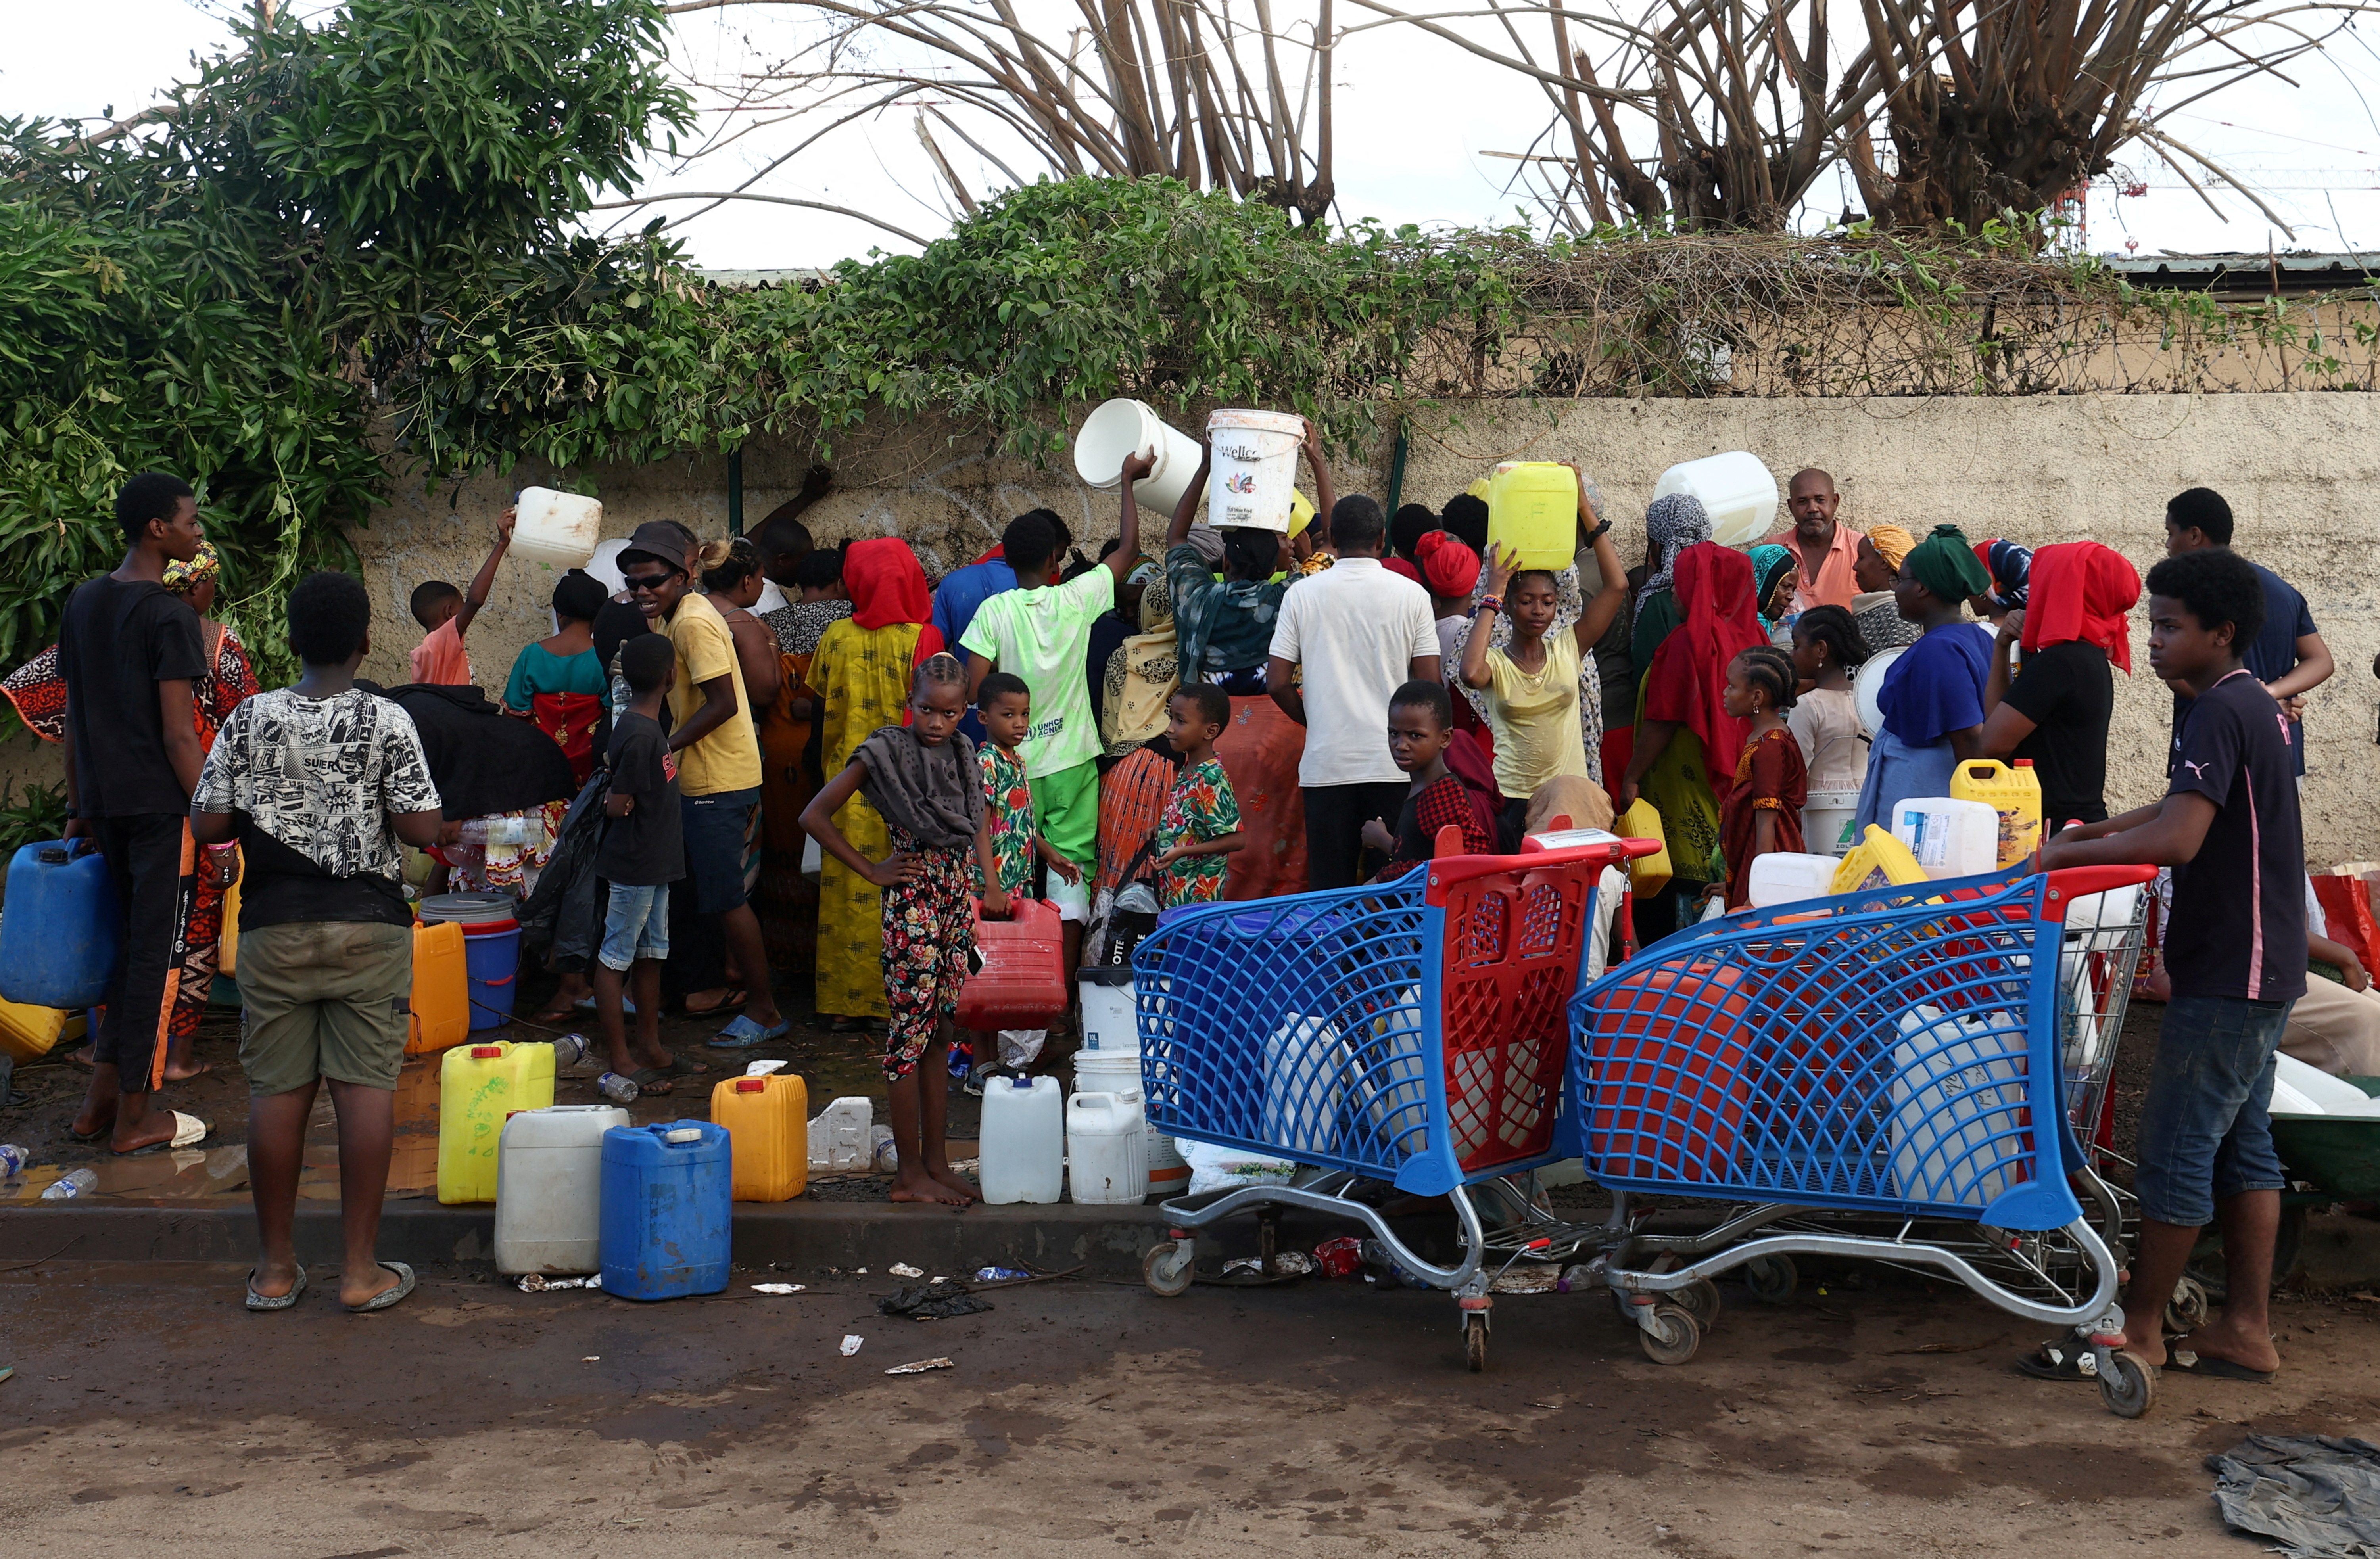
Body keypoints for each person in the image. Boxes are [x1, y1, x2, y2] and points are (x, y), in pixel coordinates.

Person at [2023, 546, 2300, 1386]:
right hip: (2261, 966)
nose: (2153, 639)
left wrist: (2063, 859)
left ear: (2222, 633)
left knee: (2177, 1146)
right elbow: (2181, 804)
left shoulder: (2219, 709)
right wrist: (2097, 833)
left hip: (2229, 969)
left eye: (2171, 627)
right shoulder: (2248, 703)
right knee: (2244, 1147)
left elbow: (2180, 837)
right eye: (2152, 624)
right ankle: (2245, 1329)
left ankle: (2139, 1329)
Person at [191, 568, 443, 1312]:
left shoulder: (251, 716)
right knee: (365, 1090)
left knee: (276, 1093)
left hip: (274, 929)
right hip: (369, 928)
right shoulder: (387, 718)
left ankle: (275, 1271)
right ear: (366, 641)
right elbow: (421, 828)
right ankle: (360, 1272)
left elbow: (208, 821)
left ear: (293, 640)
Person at [799, 654, 1000, 1206]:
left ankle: (936, 1163)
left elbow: (978, 820)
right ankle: (908, 1174)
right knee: (909, 1035)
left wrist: (987, 884)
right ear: (910, 702)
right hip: (913, 902)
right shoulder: (885, 751)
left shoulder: (964, 753)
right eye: (927, 709)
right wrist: (873, 869)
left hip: (953, 900)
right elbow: (814, 815)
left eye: (950, 713)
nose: (936, 722)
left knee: (941, 1029)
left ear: (965, 712)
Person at [60, 472, 217, 1156]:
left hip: (105, 805)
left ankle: (98, 1103)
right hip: (160, 810)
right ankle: (136, 1118)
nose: (198, 531)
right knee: (159, 960)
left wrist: (77, 804)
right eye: (190, 520)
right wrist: (216, 821)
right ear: (158, 528)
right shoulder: (169, 616)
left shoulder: (84, 601)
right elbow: (180, 736)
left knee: (132, 949)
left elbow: (74, 716)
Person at [962, 463, 1144, 967]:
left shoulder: (994, 612)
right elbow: (1128, 550)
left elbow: (974, 689)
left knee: (1007, 873)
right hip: (1072, 760)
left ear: (1005, 559)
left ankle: (1011, 982)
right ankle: (1061, 991)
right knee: (1072, 875)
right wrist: (1127, 481)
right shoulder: (1076, 598)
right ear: (1054, 559)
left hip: (1013, 765)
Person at [614, 520, 786, 1047]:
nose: (642, 591)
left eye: (653, 581)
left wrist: (664, 748)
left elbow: (724, 702)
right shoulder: (671, 616)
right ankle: (658, 993)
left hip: (719, 777)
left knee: (726, 898)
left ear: (683, 576)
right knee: (691, 893)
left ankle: (765, 1010)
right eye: (634, 583)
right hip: (698, 773)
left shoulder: (691, 622)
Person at [1266, 493, 1442, 890]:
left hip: (1327, 765)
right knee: (1392, 891)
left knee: (1330, 893)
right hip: (1396, 765)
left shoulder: (1301, 595)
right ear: (1382, 539)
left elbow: (1277, 682)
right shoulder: (1413, 595)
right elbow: (1430, 686)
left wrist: (1314, 719)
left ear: (1331, 537)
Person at [808, 538, 942, 1030]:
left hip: (844, 785)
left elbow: (818, 707)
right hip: (907, 788)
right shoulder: (924, 638)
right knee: (905, 890)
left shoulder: (835, 636)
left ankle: (843, 1004)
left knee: (848, 890)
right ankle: (897, 1000)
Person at [1620, 541, 1766, 940]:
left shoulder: (1688, 642)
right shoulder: (1754, 636)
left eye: (1682, 584)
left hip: (1685, 775)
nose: (1673, 592)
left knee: (1686, 873)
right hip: (1740, 775)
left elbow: (1662, 720)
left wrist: (1632, 777)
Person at [1452, 466, 1624, 789]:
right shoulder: (1497, 663)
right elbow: (1471, 674)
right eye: (1526, 601)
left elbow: (1617, 586)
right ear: (1507, 605)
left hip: (1566, 796)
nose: (1538, 610)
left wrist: (1583, 507)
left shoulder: (1568, 648)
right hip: (1513, 799)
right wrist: (1494, 592)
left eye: (1548, 601)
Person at [2165, 486, 2333, 783]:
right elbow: (2321, 660)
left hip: (2211, 753)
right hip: (2279, 750)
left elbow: (2176, 675)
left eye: (2170, 533)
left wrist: (2258, 700)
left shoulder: (2187, 594)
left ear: (2194, 535)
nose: (2167, 545)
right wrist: (2269, 697)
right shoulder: (2281, 590)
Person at [591, 633, 698, 1096]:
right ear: (670, 677)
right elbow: (617, 805)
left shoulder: (647, 727)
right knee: (616, 957)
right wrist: (624, 802)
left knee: (652, 954)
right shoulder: (639, 734)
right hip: (635, 865)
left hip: (656, 864)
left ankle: (652, 1048)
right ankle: (621, 1058)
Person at [1976, 541, 2140, 828]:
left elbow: (1991, 744)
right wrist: (2002, 646)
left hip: (2051, 830)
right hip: (2071, 824)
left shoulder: (2060, 662)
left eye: (2045, 582)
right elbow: (1997, 722)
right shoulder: (2087, 655)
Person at [1167, 427, 1333, 692]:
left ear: (1226, 563)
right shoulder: (1288, 598)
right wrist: (1317, 460)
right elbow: (1333, 541)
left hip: (1210, 716)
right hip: (1278, 716)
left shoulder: (1197, 598)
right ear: (1272, 570)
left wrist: (1206, 467)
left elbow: (1177, 538)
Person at [1853, 525, 1993, 834]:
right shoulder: (1978, 638)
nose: (1896, 590)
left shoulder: (1940, 650)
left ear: (1923, 588)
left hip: (1926, 807)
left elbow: (1970, 737)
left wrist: (1973, 819)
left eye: (1900, 580)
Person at [1363, 679, 1498, 878]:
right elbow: (1421, 854)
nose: (1401, 745)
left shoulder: (1443, 793)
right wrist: (1383, 839)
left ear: (1445, 738)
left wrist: (1383, 878)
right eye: (1394, 733)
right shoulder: (1423, 786)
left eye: (1415, 736)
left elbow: (1469, 858)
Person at [1716, 646, 1808, 910]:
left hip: (1770, 861)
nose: (1725, 693)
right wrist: (1733, 884)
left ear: (1757, 697)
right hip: (1759, 861)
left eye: (1732, 686)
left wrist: (1756, 895)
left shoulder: (1770, 747)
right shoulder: (1764, 737)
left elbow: (1766, 821)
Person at [501, 571, 609, 786]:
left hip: (540, 767)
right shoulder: (603, 657)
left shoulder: (532, 655)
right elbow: (616, 714)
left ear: (559, 614)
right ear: (598, 618)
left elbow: (512, 715)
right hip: (590, 770)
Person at [1151, 683, 1244, 908]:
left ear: (1210, 731)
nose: (1170, 728)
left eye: (1181, 721)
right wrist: (1163, 829)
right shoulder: (1189, 769)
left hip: (1197, 903)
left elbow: (1236, 839)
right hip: (1176, 895)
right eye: (1171, 719)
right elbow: (1194, 821)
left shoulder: (1211, 777)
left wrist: (1182, 851)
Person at [409, 508, 513, 686]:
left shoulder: (426, 654)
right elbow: (476, 601)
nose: (465, 609)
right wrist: (502, 543)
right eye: (461, 604)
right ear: (449, 612)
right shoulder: (439, 643)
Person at [1787, 604, 1869, 798]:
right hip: (1867, 797)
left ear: (1821, 650)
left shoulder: (1808, 705)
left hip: (1822, 803)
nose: (1792, 654)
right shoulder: (1866, 698)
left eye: (1796, 646)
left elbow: (1795, 769)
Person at [1096, 566, 1177, 763]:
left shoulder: (1126, 654)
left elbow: (1111, 722)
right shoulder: (1200, 656)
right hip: (1181, 765)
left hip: (1124, 767)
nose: (1130, 614)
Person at [1765, 468, 1863, 613]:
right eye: (1802, 502)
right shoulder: (1774, 550)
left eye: (1820, 500)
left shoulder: (1861, 549)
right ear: (1791, 506)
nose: (1812, 509)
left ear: (1835, 502)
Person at [1850, 524, 1923, 653]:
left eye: (1861, 558)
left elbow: (1904, 661)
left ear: (1884, 562)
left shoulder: (1898, 612)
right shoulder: (1875, 608)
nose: (1855, 567)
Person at [1750, 543, 1799, 645]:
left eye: (1793, 590)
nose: (1791, 597)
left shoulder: (1770, 629)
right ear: (1760, 581)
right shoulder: (1737, 626)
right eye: (1785, 586)